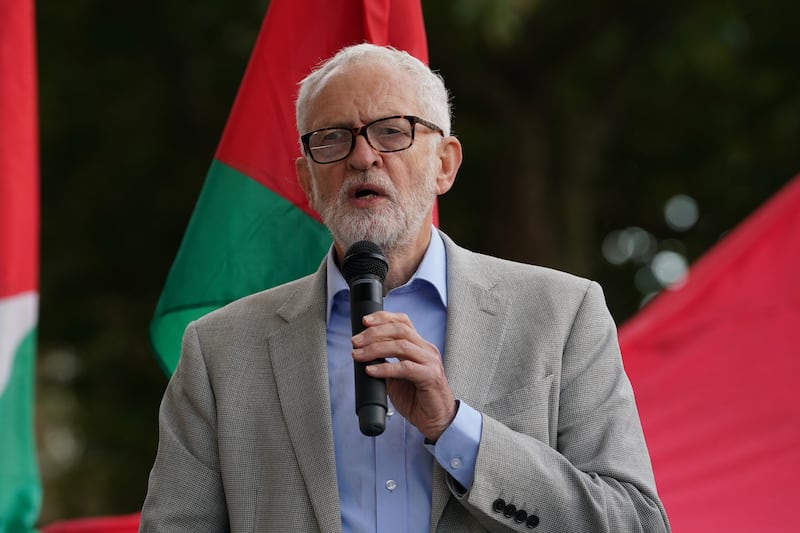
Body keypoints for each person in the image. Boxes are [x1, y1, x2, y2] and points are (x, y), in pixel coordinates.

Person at [140, 43, 670, 532]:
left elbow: (636, 522)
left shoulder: (562, 314)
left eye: (392, 131)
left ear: (444, 164)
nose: (362, 156)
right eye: (334, 137)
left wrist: (455, 427)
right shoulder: (221, 351)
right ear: (306, 180)